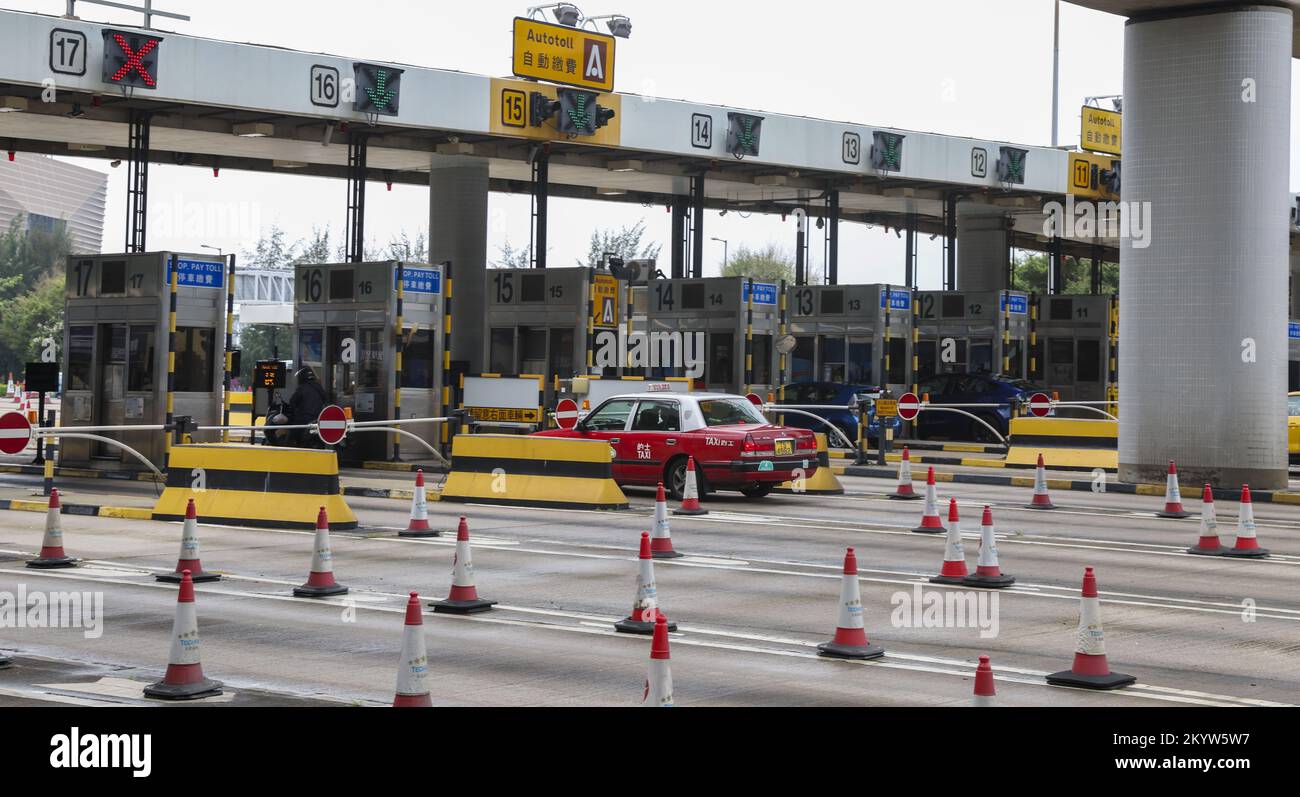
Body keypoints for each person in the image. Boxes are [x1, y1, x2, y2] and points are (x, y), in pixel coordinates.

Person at [287, 366, 329, 446]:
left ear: (301, 378)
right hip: (318, 419)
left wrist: (292, 409)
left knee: (292, 436)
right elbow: (325, 399)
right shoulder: (319, 387)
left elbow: (292, 402)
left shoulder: (302, 388)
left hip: (304, 420)